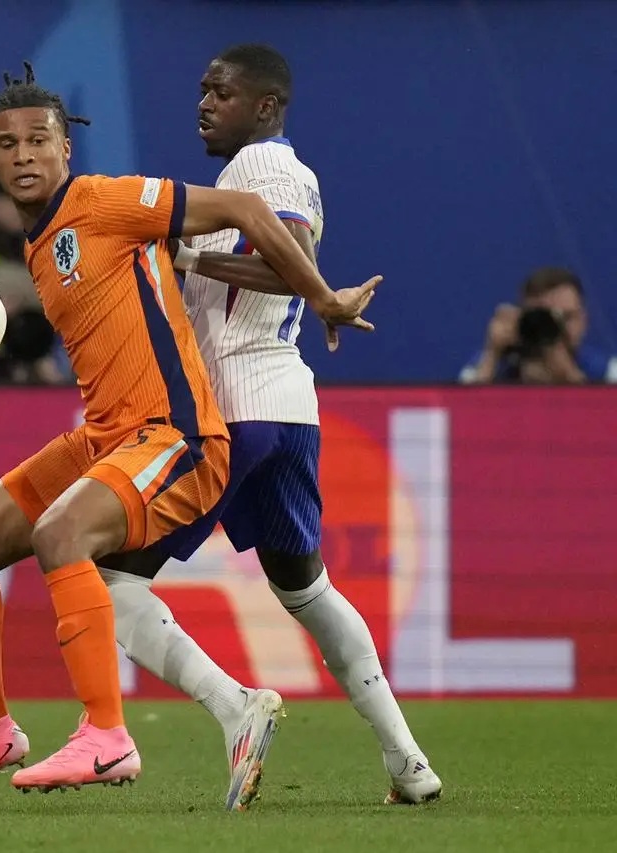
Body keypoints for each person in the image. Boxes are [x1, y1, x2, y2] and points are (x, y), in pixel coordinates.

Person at [0, 61, 379, 810]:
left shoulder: (104, 201)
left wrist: (322, 298)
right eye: (6, 144)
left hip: (176, 433)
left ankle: (107, 735)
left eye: (38, 140)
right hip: (107, 435)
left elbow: (251, 209)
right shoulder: (38, 241)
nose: (23, 154)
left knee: (64, 537)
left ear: (66, 149)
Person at [98, 44, 442, 807]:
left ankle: (236, 706)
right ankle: (408, 761)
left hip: (237, 413)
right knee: (304, 584)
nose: (202, 102)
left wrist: (184, 258)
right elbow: (293, 267)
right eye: (200, 89)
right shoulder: (254, 175)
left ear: (265, 106)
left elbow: (294, 261)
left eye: (219, 91)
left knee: (107, 577)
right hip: (288, 409)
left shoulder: (266, 170)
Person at [459, 266, 615, 384]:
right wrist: (492, 354)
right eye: (544, 318)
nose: (555, 328)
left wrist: (569, 376)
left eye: (565, 317)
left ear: (583, 320)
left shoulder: (607, 370)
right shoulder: (494, 363)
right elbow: (460, 411)